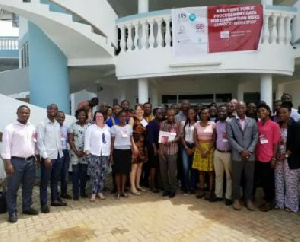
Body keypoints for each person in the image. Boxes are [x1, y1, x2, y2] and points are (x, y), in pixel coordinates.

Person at [2, 105, 39, 223]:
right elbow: (6, 147)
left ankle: (26, 207)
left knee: (29, 186)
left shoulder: (32, 127)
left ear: (29, 114)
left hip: (30, 161)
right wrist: (8, 164)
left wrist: (37, 158)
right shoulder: (10, 128)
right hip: (15, 161)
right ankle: (12, 211)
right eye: (22, 113)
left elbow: (34, 144)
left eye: (26, 113)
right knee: (13, 188)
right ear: (17, 113)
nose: (24, 115)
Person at [227, 101, 258, 211]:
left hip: (250, 156)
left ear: (245, 109)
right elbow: (230, 139)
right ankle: (236, 199)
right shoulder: (230, 122)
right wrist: (241, 151)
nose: (240, 110)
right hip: (237, 155)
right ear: (236, 109)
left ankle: (248, 199)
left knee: (250, 179)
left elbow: (255, 137)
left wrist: (249, 151)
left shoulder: (252, 121)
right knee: (236, 178)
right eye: (238, 108)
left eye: (242, 107)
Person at [37, 104, 67, 214]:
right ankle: (44, 204)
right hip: (48, 158)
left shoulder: (57, 125)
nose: (53, 111)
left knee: (55, 180)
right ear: (47, 110)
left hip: (59, 155)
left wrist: (61, 154)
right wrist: (45, 157)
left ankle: (54, 200)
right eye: (51, 109)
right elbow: (40, 142)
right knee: (45, 182)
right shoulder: (41, 124)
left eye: (55, 109)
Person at [275, 103, 300, 212]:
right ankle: (280, 203)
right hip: (279, 157)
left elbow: (297, 143)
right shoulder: (278, 125)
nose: (282, 115)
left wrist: (286, 155)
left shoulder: (295, 125)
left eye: (285, 112)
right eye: (280, 113)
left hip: (290, 158)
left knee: (291, 184)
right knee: (278, 181)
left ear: (290, 112)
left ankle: (291, 206)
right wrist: (276, 155)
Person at [255, 103, 280, 212]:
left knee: (269, 180)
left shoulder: (274, 125)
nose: (261, 113)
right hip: (258, 156)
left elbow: (276, 143)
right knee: (263, 180)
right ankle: (267, 199)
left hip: (269, 157)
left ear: (269, 112)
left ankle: (271, 201)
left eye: (263, 110)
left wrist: (274, 158)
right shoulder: (257, 124)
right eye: (259, 111)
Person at [84, 111, 111, 202]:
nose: (99, 117)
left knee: (102, 174)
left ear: (104, 117)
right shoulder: (91, 128)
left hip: (105, 154)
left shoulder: (107, 128)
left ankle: (99, 191)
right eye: (97, 116)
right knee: (94, 174)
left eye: (101, 116)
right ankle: (93, 193)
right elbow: (87, 141)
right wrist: (88, 153)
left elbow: (110, 141)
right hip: (94, 154)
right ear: (95, 118)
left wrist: (110, 153)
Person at [210, 105, 232, 206]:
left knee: (229, 176)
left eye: (223, 111)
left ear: (227, 112)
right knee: (218, 175)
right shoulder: (216, 124)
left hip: (228, 153)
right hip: (217, 152)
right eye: (219, 112)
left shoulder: (231, 123)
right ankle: (218, 195)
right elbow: (214, 137)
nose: (221, 113)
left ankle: (228, 196)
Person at [111, 110, 135, 199]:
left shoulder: (129, 127)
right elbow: (112, 142)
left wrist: (133, 153)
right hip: (117, 151)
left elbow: (131, 140)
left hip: (127, 151)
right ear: (118, 117)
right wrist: (111, 154)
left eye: (125, 116)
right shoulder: (114, 128)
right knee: (117, 172)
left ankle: (122, 191)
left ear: (127, 118)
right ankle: (117, 191)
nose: (123, 118)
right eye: (121, 116)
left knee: (125, 172)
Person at [193, 107, 216, 200]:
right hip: (199, 148)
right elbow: (195, 139)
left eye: (206, 113)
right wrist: (201, 150)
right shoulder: (196, 125)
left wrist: (207, 150)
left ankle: (210, 191)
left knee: (211, 172)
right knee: (201, 171)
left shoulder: (213, 125)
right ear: (200, 114)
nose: (204, 115)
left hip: (210, 149)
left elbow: (214, 139)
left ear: (209, 114)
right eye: (202, 113)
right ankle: (201, 189)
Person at [159, 108, 182, 198]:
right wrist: (160, 150)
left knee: (172, 172)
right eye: (169, 115)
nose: (171, 117)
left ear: (175, 115)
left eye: (173, 115)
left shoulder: (178, 123)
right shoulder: (163, 123)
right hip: (163, 150)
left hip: (173, 150)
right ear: (166, 115)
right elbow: (161, 137)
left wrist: (172, 141)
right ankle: (166, 189)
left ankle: (173, 189)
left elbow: (180, 136)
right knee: (163, 171)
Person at [69, 109, 89, 200]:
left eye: (84, 115)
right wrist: (76, 151)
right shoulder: (72, 126)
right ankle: (75, 193)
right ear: (77, 116)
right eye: (80, 115)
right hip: (75, 153)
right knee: (76, 173)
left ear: (86, 116)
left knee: (84, 173)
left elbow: (91, 140)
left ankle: (83, 192)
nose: (82, 116)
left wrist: (84, 151)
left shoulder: (89, 126)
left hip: (85, 152)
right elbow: (70, 140)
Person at [130, 104, 148, 195]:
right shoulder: (132, 119)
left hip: (142, 145)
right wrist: (133, 146)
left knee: (140, 166)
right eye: (138, 109)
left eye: (141, 109)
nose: (140, 111)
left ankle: (138, 185)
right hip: (135, 145)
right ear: (135, 111)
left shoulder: (145, 120)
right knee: (134, 167)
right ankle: (132, 187)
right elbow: (129, 133)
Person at [146, 107, 163, 193]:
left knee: (159, 168)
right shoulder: (151, 124)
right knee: (153, 168)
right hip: (153, 148)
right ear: (154, 114)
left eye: (161, 113)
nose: (161, 115)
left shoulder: (162, 123)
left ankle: (158, 184)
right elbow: (151, 138)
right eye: (159, 113)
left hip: (161, 147)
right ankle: (152, 186)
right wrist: (155, 149)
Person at [181, 108, 197, 194]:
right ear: (187, 114)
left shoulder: (198, 124)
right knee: (185, 167)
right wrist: (186, 147)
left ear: (195, 114)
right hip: (185, 146)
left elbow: (198, 137)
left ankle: (192, 187)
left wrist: (193, 148)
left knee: (193, 168)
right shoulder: (184, 124)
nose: (191, 114)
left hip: (194, 146)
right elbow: (182, 137)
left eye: (192, 113)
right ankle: (186, 187)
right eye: (189, 113)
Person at [56, 111, 72, 200]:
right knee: (56, 174)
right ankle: (56, 194)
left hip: (65, 152)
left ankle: (64, 193)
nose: (61, 119)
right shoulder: (53, 127)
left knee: (65, 174)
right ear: (56, 117)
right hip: (56, 153)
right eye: (59, 117)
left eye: (62, 117)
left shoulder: (67, 128)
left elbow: (69, 140)